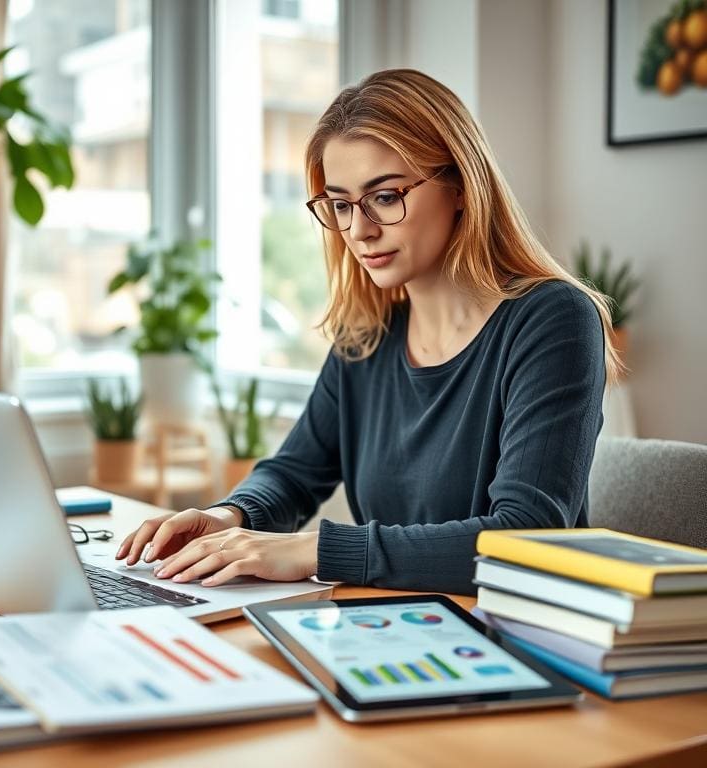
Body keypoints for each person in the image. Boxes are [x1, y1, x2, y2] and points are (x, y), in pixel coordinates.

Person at [115, 69, 618, 595]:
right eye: (340, 204)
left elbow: (527, 537)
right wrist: (230, 515)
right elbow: (292, 473)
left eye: (385, 196)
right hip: (392, 628)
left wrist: (315, 548)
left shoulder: (554, 319)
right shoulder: (366, 337)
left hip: (508, 637)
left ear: (461, 186)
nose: (360, 230)